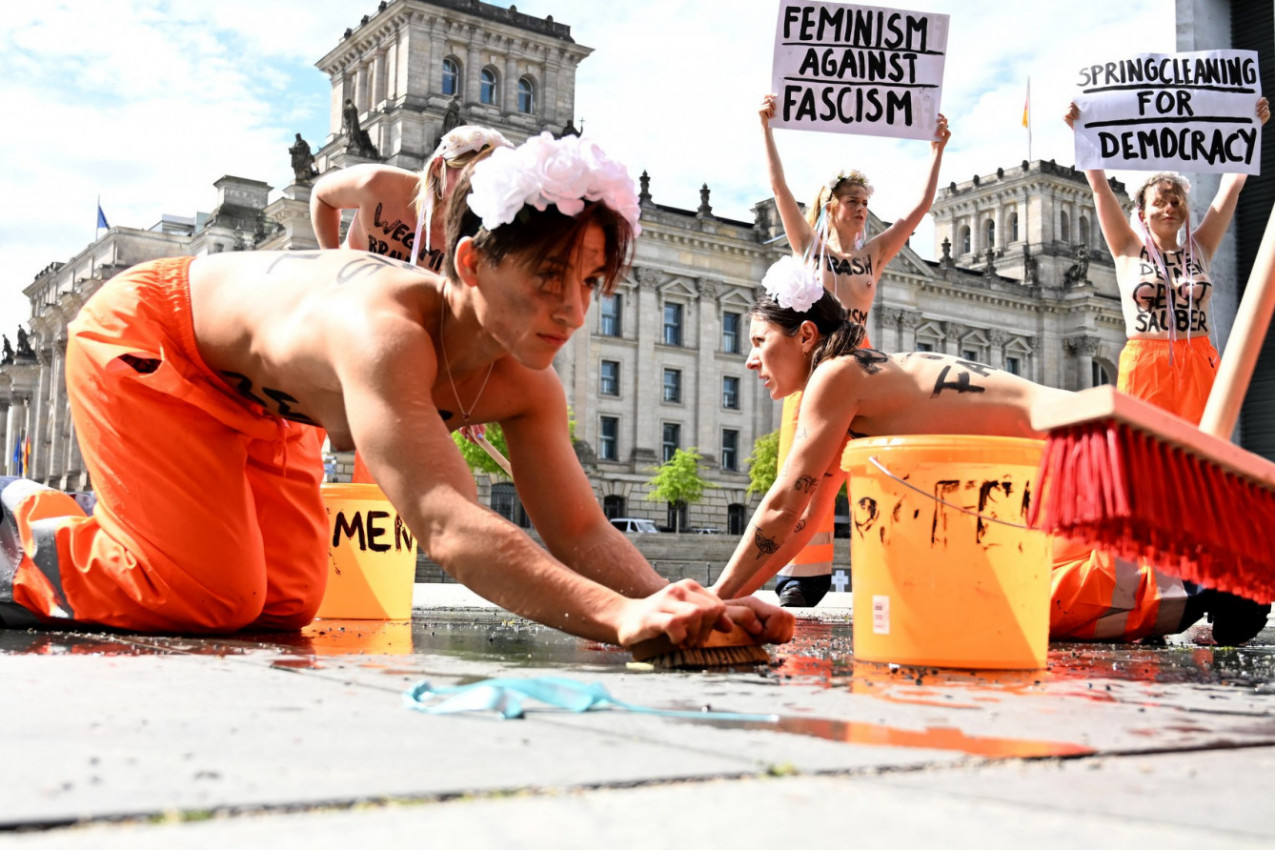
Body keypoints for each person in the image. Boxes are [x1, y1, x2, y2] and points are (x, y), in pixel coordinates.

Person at [0, 133, 793, 653]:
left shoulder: (527, 384)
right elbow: (447, 523)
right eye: (549, 276)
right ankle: (20, 528)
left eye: (591, 281)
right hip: (155, 335)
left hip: (267, 402)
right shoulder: (382, 335)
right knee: (209, 594)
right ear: (473, 262)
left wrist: (683, 607)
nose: (574, 308)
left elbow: (581, 529)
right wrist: (618, 618)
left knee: (283, 602)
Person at [710, 279, 1268, 645]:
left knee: (1017, 604)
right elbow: (802, 521)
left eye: (760, 340)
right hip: (1083, 439)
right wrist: (724, 599)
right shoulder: (855, 376)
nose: (750, 356)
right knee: (1014, 600)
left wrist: (711, 601)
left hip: (1074, 444)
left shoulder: (834, 378)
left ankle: (1211, 591)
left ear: (806, 335)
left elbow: (784, 504)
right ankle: (1215, 590)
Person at [758, 93, 951, 608]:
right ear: (830, 205)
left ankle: (896, 562)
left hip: (862, 365)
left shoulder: (874, 254)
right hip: (815, 365)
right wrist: (766, 126)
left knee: (873, 464)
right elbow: (778, 187)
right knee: (801, 469)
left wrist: (938, 149)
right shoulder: (808, 247)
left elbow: (919, 211)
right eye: (854, 202)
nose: (863, 212)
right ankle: (804, 573)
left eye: (866, 203)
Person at [1063, 97, 1269, 425]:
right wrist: (1081, 133)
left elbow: (1230, 190)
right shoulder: (1126, 248)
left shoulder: (1200, 246)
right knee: (1143, 451)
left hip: (1199, 360)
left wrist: (1250, 129)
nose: (1170, 207)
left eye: (1176, 201)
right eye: (1160, 202)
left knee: (1202, 450)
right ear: (1142, 213)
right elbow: (1100, 188)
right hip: (1145, 362)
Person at [310, 125, 511, 272]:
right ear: (437, 169)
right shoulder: (377, 183)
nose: (480, 186)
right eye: (471, 176)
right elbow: (322, 195)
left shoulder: (480, 232)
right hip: (347, 296)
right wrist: (332, 260)